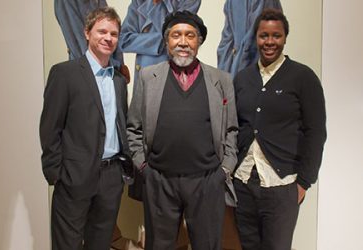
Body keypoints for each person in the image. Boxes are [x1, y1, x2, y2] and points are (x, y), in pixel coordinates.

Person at [127, 10, 238, 250]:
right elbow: (133, 128)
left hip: (207, 181)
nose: (183, 42)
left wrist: (225, 170)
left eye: (190, 35)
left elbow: (231, 130)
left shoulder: (222, 80)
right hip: (159, 180)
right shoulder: (148, 77)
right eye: (176, 35)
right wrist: (144, 168)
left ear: (199, 41)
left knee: (207, 245)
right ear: (167, 41)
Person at [233, 9, 327, 250]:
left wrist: (304, 182)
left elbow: (316, 133)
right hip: (243, 183)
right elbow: (235, 126)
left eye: (276, 35)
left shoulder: (303, 77)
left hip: (282, 185)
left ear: (285, 37)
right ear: (256, 38)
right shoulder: (242, 78)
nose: (269, 42)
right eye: (264, 35)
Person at [40, 7, 132, 250]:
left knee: (100, 244)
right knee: (67, 245)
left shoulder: (119, 80)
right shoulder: (64, 73)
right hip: (73, 177)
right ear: (87, 33)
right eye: (102, 31)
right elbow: (50, 128)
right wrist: (56, 174)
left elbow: (120, 126)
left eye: (113, 33)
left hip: (111, 178)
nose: (108, 38)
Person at [119, 0, 201, 88]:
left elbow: (176, 35)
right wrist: (161, 40)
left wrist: (158, 4)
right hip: (145, 76)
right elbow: (124, 40)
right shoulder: (140, 2)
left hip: (174, 73)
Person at [217, 0, 282, 78]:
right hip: (242, 69)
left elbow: (252, 41)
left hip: (259, 67)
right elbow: (226, 42)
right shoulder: (231, 2)